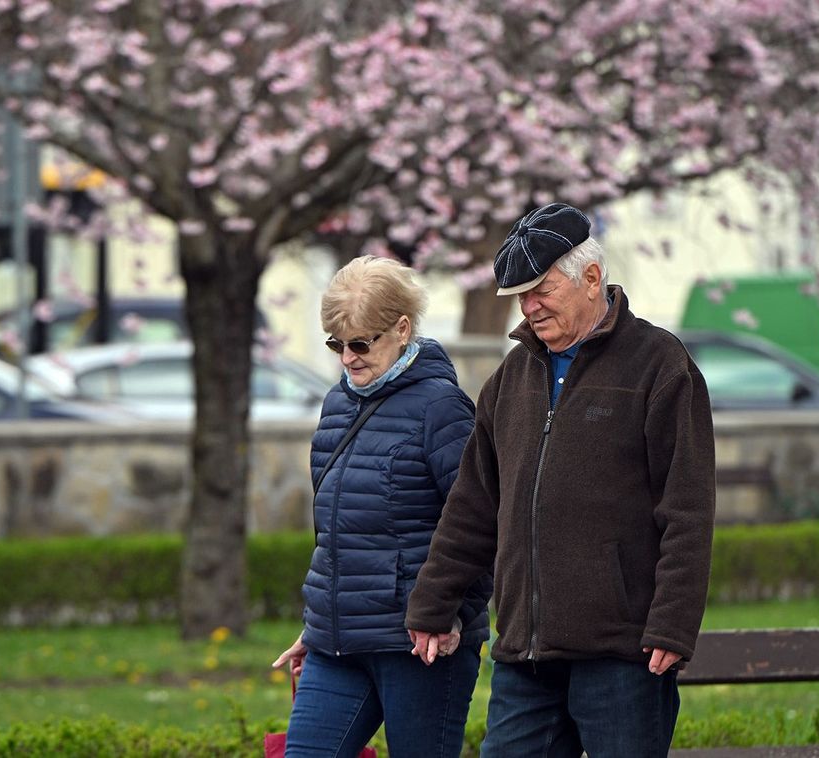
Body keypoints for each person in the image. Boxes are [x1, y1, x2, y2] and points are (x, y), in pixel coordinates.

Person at [404, 203, 716, 757]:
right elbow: (473, 505)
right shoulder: (510, 378)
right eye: (521, 295)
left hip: (624, 654)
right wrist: (433, 602)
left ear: (592, 278)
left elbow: (687, 509)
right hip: (525, 655)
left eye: (542, 289)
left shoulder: (660, 366)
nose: (529, 307)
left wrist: (672, 624)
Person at [272, 255, 491, 758]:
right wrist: (320, 622)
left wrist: (454, 615)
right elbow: (337, 535)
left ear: (402, 328)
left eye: (361, 343)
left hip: (421, 645)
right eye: (336, 344)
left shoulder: (442, 408)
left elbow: (482, 524)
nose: (347, 358)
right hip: (337, 645)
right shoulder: (337, 404)